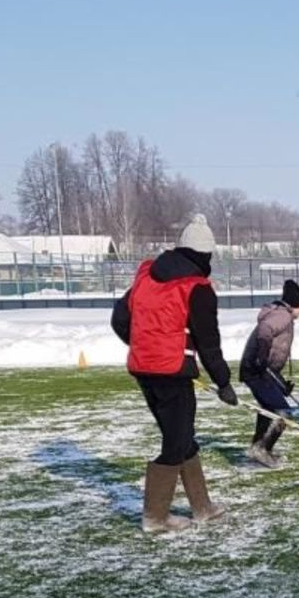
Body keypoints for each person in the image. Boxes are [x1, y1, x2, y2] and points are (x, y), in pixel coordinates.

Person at [111, 213, 235, 534]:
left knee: (181, 433)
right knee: (176, 440)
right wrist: (223, 382)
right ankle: (155, 517)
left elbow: (120, 321)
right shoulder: (198, 288)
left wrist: (145, 346)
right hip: (170, 372)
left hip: (144, 370)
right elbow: (209, 343)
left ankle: (202, 507)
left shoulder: (146, 276)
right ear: (205, 255)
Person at [239, 279, 299, 468]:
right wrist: (261, 356)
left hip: (261, 370)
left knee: (268, 410)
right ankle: (262, 449)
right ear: (294, 305)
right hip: (256, 370)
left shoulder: (282, 314)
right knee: (281, 413)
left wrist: (281, 383)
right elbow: (264, 331)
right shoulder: (282, 316)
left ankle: (257, 448)